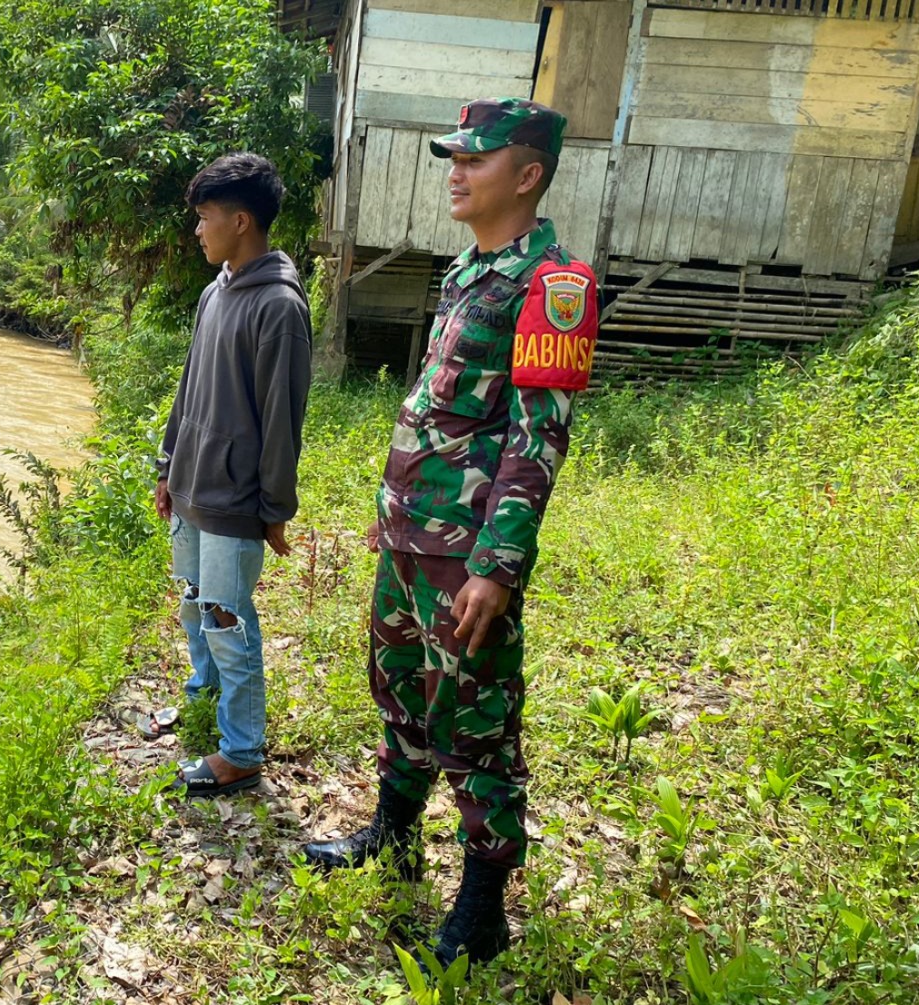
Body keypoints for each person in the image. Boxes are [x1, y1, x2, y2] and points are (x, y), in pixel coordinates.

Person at [302, 98, 599, 970]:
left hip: (468, 554)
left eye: (476, 158)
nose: (456, 171)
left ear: (529, 173)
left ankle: (482, 908)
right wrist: (393, 513)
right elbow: (439, 412)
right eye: (454, 157)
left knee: (474, 722)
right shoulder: (471, 271)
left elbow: (535, 435)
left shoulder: (554, 286)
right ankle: (392, 839)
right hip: (412, 539)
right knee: (398, 690)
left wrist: (498, 567)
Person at [152, 152, 313, 797]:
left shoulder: (278, 307)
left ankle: (242, 751)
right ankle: (201, 699)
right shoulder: (215, 291)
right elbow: (190, 387)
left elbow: (283, 423)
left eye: (204, 218)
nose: (197, 229)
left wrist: (273, 510)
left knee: (227, 619)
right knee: (194, 605)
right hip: (192, 486)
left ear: (241, 221)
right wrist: (169, 466)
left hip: (235, 499)